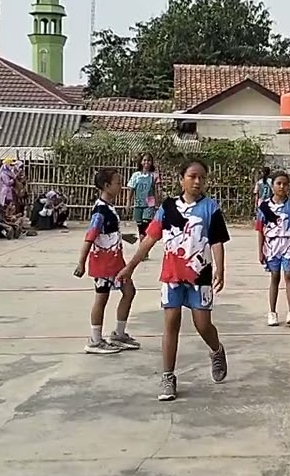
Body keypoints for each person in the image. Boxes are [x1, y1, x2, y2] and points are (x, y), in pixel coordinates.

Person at [117, 160, 229, 402]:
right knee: (171, 323)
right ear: (181, 179)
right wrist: (130, 266)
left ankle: (216, 350)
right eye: (192, 176)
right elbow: (149, 239)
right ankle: (168, 376)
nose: (197, 181)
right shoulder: (167, 208)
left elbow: (217, 241)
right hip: (172, 275)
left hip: (200, 275)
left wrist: (220, 268)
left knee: (202, 324)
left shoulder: (210, 208)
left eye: (202, 177)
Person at [74, 167, 140, 355]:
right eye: (117, 183)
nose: (121, 186)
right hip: (103, 263)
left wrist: (123, 237)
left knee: (129, 291)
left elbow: (107, 233)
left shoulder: (109, 207)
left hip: (116, 262)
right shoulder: (100, 211)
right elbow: (90, 237)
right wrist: (81, 262)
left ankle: (119, 334)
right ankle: (95, 340)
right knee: (101, 299)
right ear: (106, 185)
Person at [255, 171, 290, 328]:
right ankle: (272, 312)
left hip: (288, 244)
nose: (282, 187)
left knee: (288, 275)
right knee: (275, 276)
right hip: (271, 246)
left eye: (285, 184)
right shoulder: (264, 207)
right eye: (278, 183)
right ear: (272, 186)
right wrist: (260, 251)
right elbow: (260, 230)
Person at [127, 153, 159, 237]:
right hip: (138, 203)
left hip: (149, 203)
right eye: (144, 160)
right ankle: (142, 241)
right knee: (140, 226)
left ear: (151, 162)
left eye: (149, 160)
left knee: (146, 224)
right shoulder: (136, 175)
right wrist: (128, 202)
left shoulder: (154, 175)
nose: (146, 162)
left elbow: (156, 190)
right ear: (141, 162)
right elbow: (131, 188)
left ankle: (143, 240)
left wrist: (157, 203)